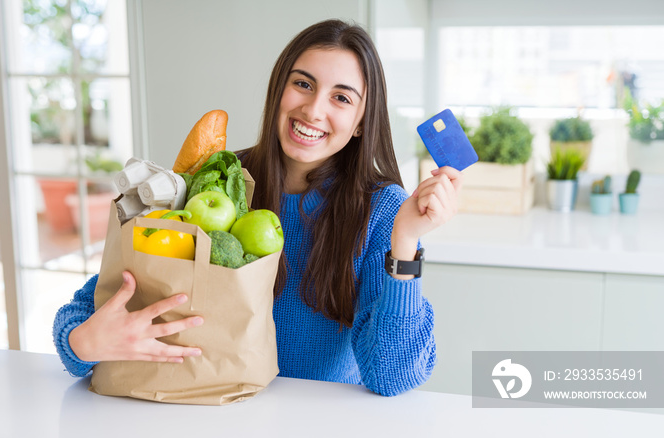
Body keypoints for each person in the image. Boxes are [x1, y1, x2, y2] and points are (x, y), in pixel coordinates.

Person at [53, 18, 462, 397]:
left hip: (316, 436)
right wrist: (83, 342)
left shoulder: (382, 209)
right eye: (303, 84)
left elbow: (390, 376)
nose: (313, 110)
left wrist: (405, 242)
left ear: (360, 121)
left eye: (341, 97)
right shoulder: (218, 180)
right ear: (278, 89)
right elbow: (87, 310)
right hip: (205, 414)